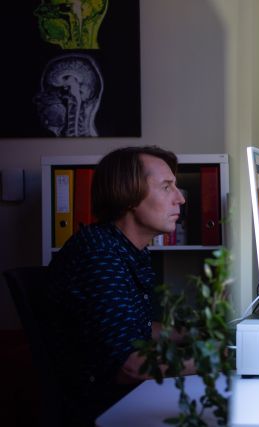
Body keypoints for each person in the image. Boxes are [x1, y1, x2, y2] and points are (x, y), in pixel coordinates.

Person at [46, 146, 192, 425]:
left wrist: (191, 334)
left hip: (128, 399)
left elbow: (136, 327)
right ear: (129, 195)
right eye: (166, 187)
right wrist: (220, 358)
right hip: (104, 410)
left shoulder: (126, 249)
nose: (180, 199)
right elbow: (132, 366)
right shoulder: (97, 251)